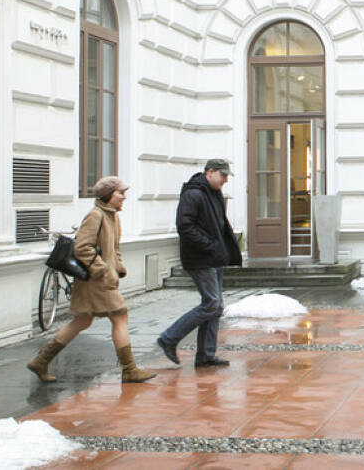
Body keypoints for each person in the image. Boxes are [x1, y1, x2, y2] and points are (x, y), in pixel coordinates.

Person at [27, 177, 156, 383]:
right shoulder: (96, 216)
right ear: (108, 195)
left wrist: (118, 267)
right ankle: (129, 369)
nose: (124, 197)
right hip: (96, 281)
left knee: (82, 321)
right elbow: (82, 248)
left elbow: (114, 249)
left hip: (100, 279)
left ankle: (41, 361)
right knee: (120, 315)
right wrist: (102, 270)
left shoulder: (112, 216)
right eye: (120, 193)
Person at [157, 159, 242, 367]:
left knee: (216, 306)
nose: (225, 180)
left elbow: (219, 225)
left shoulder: (213, 193)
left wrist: (224, 249)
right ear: (209, 172)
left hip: (214, 256)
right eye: (222, 175)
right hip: (200, 258)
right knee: (211, 303)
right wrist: (210, 246)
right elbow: (185, 227)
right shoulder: (193, 194)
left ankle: (206, 354)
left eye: (227, 176)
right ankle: (169, 338)